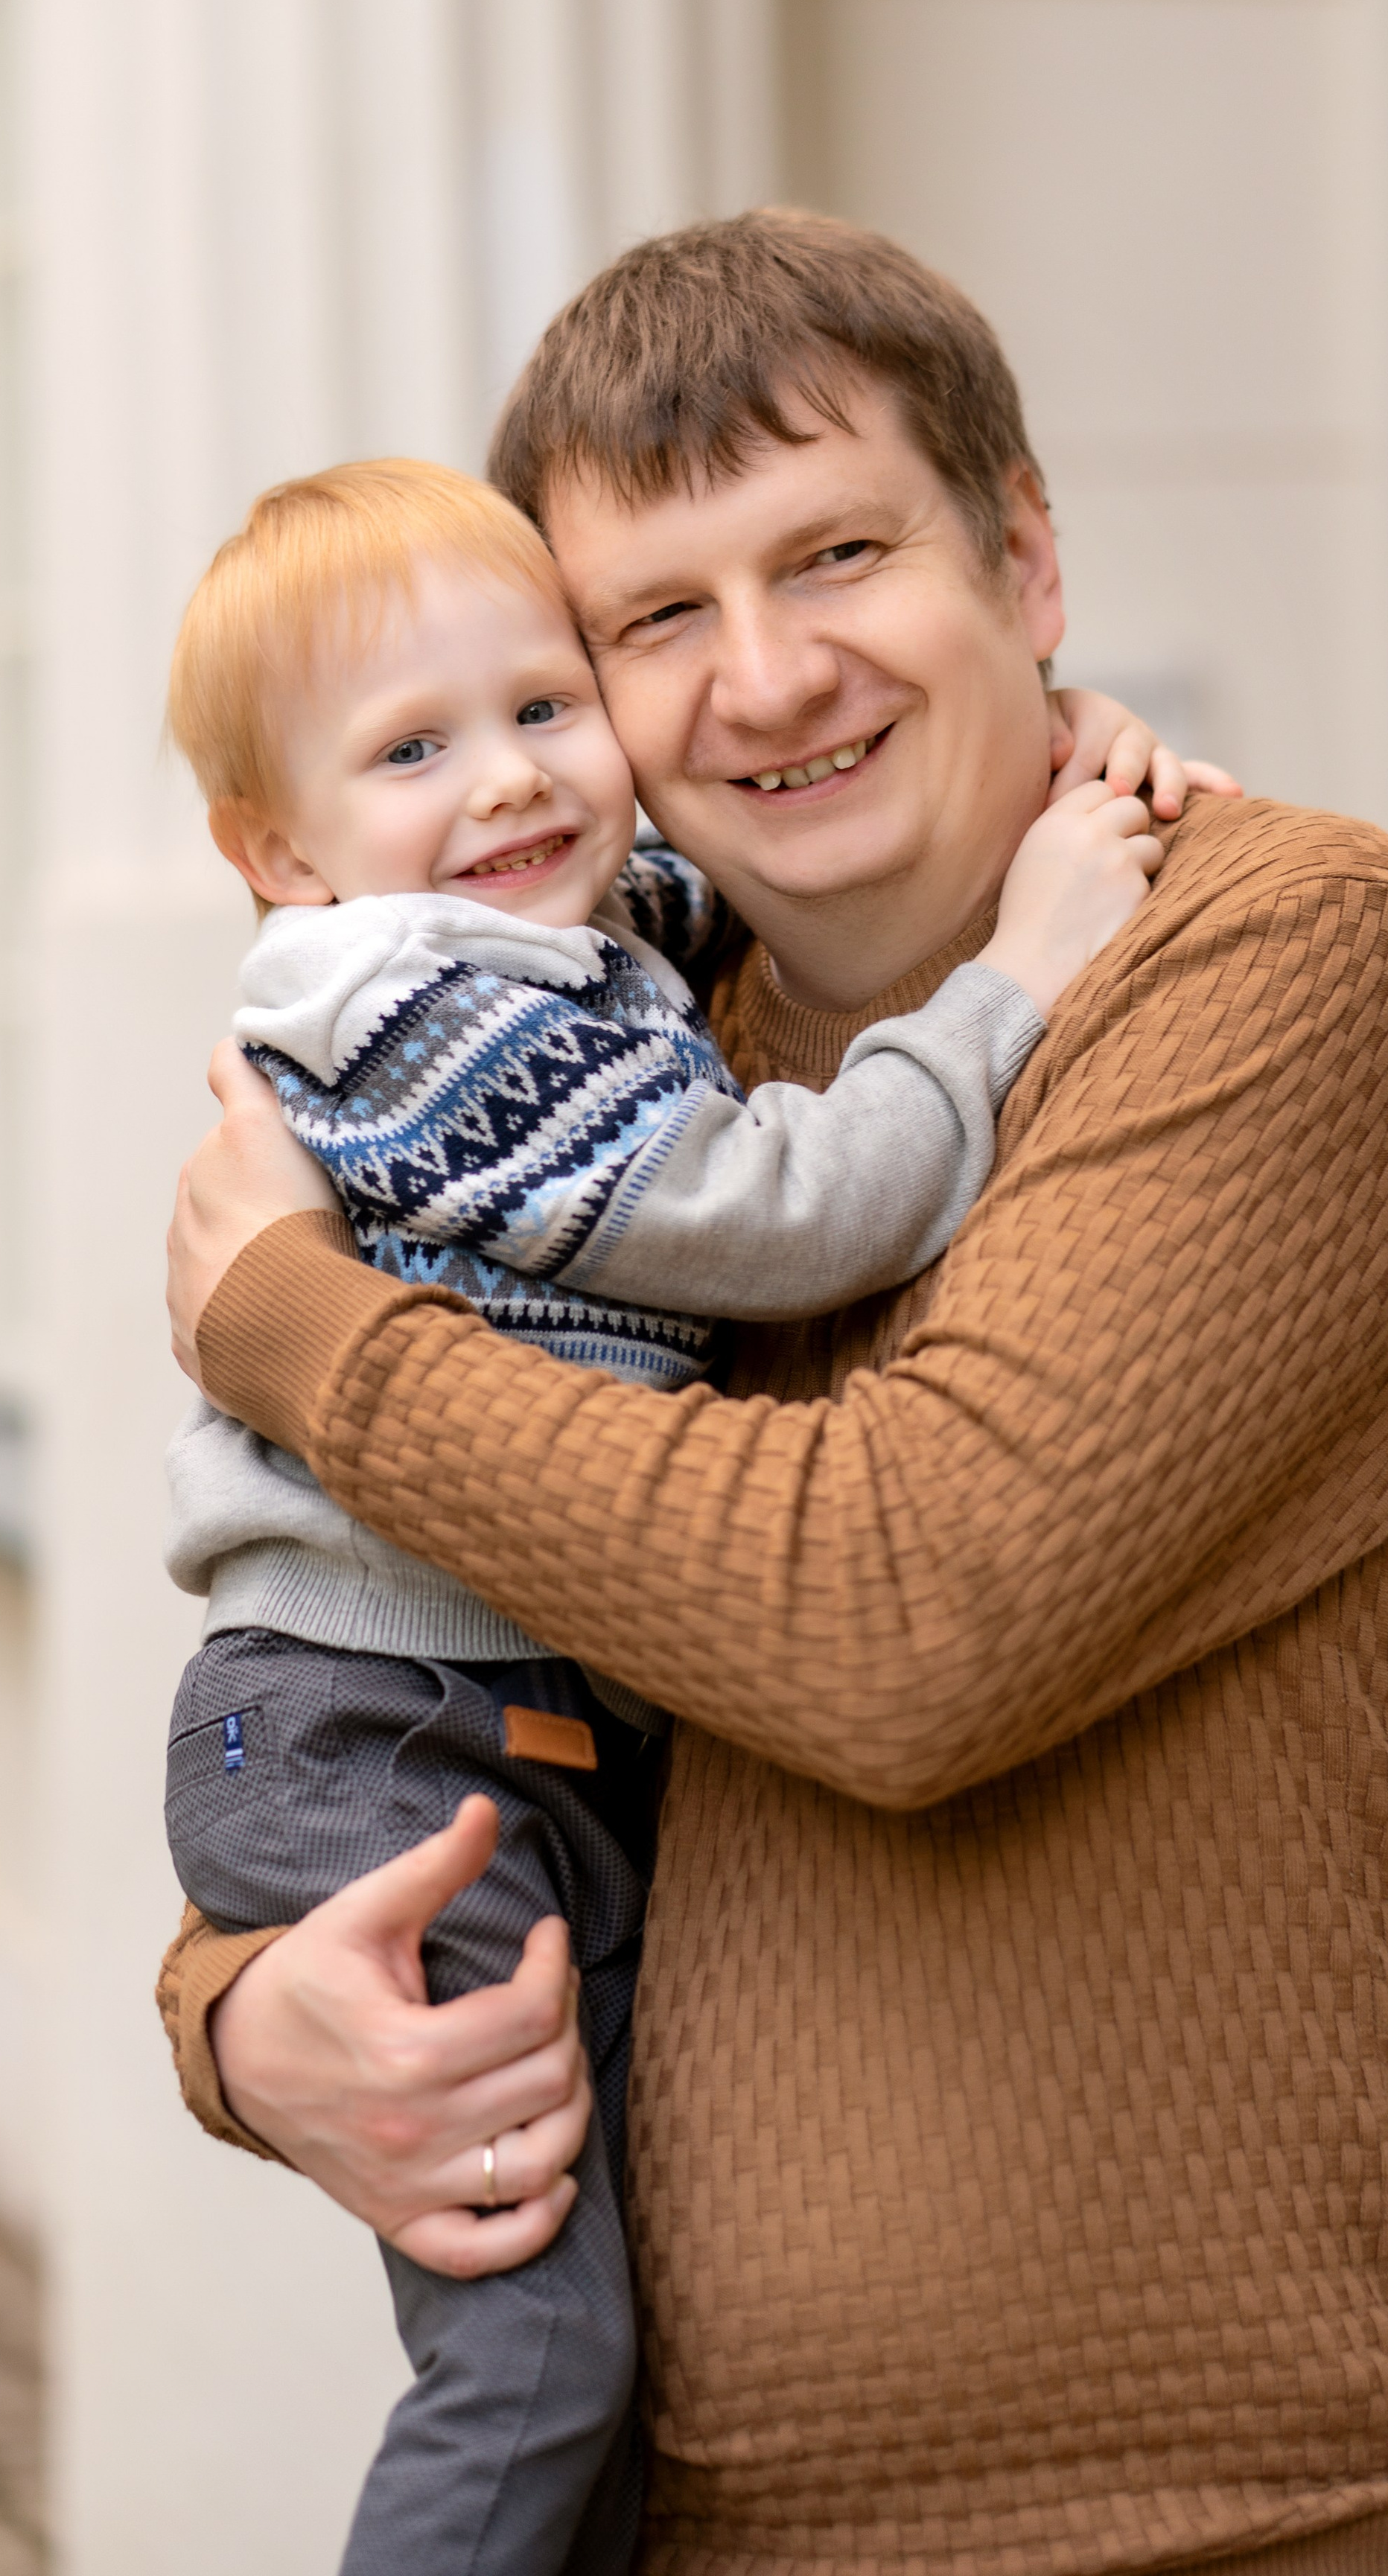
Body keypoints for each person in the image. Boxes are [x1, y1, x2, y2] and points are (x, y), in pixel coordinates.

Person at [162, 211, 1388, 2574]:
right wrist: (250, 2017)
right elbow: (421, 1661)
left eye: (842, 555)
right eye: (656, 620)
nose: (766, 679)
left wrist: (300, 1324)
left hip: (1192, 2529)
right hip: (668, 2523)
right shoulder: (638, 1073)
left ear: (1024, 558)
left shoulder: (1278, 958)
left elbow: (899, 1616)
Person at [158, 452, 1165, 2576]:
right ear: (278, 854)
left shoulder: (566, 942)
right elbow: (792, 1210)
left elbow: (742, 893)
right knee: (536, 2351)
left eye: (542, 705)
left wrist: (1041, 751)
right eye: (415, 748)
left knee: (603, 2346)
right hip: (380, 1727)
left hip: (481, 1721)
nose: (514, 781)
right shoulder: (418, 1019)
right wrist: (1032, 961)